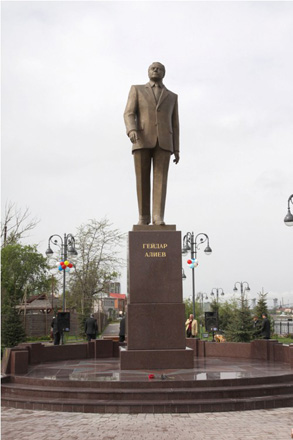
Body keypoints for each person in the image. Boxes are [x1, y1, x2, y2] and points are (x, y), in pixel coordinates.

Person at [124, 62, 180, 226]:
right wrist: (131, 130)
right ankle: (143, 217)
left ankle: (157, 217)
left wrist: (176, 148)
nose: (156, 70)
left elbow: (175, 123)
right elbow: (128, 113)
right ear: (148, 71)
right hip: (141, 138)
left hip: (164, 141)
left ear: (164, 73)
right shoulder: (137, 89)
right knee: (141, 179)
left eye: (160, 68)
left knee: (161, 180)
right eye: (153, 68)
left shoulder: (172, 96)